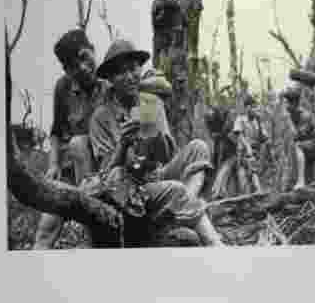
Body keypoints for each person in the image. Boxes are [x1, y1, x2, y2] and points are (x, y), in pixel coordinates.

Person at [85, 39, 225, 246]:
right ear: (112, 79)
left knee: (199, 147)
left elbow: (167, 156)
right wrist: (123, 145)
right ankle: (203, 230)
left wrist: (155, 138)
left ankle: (179, 213)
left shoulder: (152, 103)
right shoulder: (101, 117)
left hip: (155, 175)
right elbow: (108, 174)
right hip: (129, 188)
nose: (130, 77)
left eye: (134, 69)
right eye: (121, 72)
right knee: (175, 188)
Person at [32, 29, 108, 249]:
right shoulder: (63, 87)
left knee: (96, 231)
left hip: (102, 170)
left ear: (93, 50)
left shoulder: (110, 81)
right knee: (45, 230)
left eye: (84, 57)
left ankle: (93, 235)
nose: (82, 68)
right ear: (67, 70)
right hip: (70, 169)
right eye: (73, 66)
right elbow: (56, 131)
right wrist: (53, 164)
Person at [281, 87, 315, 189]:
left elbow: (296, 136)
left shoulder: (305, 115)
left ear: (294, 103)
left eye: (287, 103)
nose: (285, 106)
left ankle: (300, 181)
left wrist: (288, 121)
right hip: (304, 147)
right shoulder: (292, 114)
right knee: (292, 147)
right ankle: (297, 182)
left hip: (314, 145)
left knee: (297, 146)